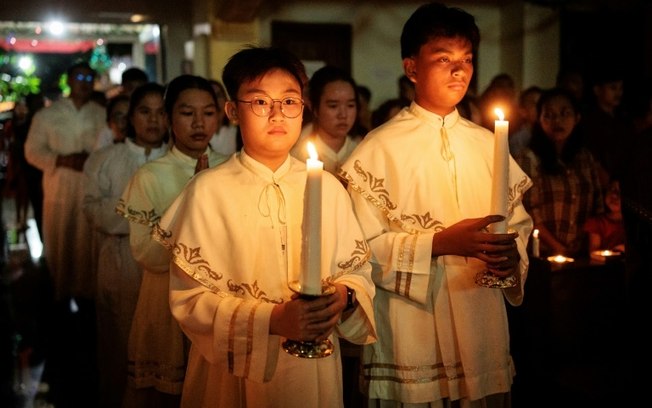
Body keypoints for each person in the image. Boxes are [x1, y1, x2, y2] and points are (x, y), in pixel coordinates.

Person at [156, 46, 377, 408]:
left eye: (289, 102)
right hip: (233, 371)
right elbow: (190, 301)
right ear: (232, 111)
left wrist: (344, 297)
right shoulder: (208, 190)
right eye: (260, 102)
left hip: (313, 368)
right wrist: (272, 320)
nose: (277, 114)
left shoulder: (328, 188)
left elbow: (358, 271)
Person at [339, 3, 533, 406]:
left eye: (466, 60)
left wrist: (511, 258)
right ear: (412, 68)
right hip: (411, 329)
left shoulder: (488, 145)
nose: (459, 71)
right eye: (443, 59)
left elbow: (519, 225)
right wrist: (440, 243)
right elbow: (357, 251)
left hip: (481, 316)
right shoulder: (378, 149)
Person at [116, 75, 228, 407]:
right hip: (165, 301)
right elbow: (147, 255)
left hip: (218, 300)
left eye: (208, 113)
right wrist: (191, 200)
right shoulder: (150, 176)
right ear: (168, 118)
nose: (199, 123)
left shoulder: (231, 168)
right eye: (186, 113)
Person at [83, 82, 168, 408]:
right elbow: (92, 209)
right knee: (120, 343)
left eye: (161, 112)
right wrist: (148, 217)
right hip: (120, 262)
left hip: (165, 267)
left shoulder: (180, 161)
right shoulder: (106, 159)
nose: (154, 121)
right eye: (145, 112)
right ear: (130, 118)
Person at [515, 87, 603, 257]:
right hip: (543, 254)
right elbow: (529, 211)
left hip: (584, 253)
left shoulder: (584, 157)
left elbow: (597, 205)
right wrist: (560, 249)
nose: (557, 121)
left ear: (577, 117)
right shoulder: (529, 158)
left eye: (565, 113)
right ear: (539, 119)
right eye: (549, 114)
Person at [290, 65, 361, 178]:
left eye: (350, 105)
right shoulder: (298, 157)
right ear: (314, 108)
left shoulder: (362, 152)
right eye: (333, 106)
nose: (343, 115)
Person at [583, 178, 625, 253]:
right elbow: (594, 252)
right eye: (611, 189)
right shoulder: (597, 222)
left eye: (620, 192)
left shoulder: (636, 224)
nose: (614, 195)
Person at [208, 79, 240, 156]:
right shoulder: (198, 136)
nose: (215, 100)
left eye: (218, 95)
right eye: (211, 95)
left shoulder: (239, 133)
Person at [509, 86, 543, 156]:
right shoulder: (518, 139)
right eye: (534, 104)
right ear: (523, 111)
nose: (540, 107)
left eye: (541, 103)